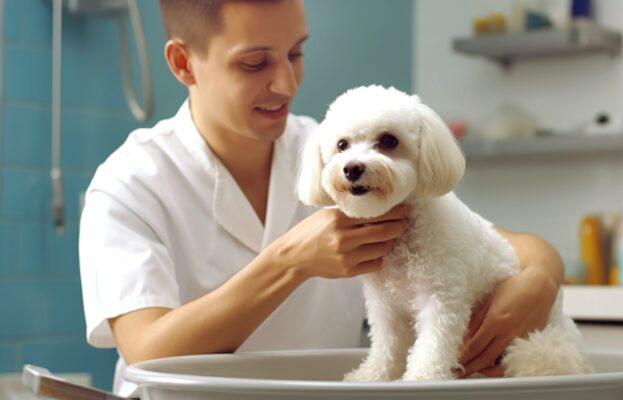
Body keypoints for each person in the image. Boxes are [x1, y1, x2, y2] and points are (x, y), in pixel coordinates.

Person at [78, 0, 565, 396]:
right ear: (184, 63)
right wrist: (290, 262)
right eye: (255, 63)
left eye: (295, 53)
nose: (287, 84)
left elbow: (494, 242)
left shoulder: (333, 149)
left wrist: (542, 276)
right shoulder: (130, 183)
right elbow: (146, 350)